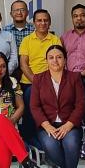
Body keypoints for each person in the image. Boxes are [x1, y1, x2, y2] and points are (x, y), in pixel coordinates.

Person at [29, 45, 85, 168]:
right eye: (51, 57)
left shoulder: (74, 77)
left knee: (71, 144)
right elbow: (34, 106)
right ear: (46, 60)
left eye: (59, 57)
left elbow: (81, 104)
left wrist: (69, 125)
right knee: (50, 145)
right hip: (46, 125)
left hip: (70, 124)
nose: (55, 60)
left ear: (65, 60)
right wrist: (46, 125)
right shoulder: (39, 79)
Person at [18, 9, 63, 141]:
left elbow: (58, 63)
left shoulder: (55, 39)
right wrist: (36, 82)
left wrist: (47, 83)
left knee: (48, 112)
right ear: (34, 23)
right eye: (39, 20)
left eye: (45, 20)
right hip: (29, 83)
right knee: (30, 110)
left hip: (50, 83)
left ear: (49, 23)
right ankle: (28, 141)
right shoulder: (27, 40)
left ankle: (46, 139)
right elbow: (23, 64)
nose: (42, 23)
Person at [61, 4, 85, 137]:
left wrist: (83, 73)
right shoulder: (65, 37)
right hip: (68, 79)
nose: (79, 19)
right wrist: (68, 74)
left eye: (82, 15)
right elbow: (62, 58)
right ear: (72, 19)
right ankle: (73, 142)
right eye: (75, 16)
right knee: (69, 112)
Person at [3, 0, 35, 82]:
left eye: (22, 10)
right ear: (11, 14)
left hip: (30, 67)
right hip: (11, 69)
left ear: (27, 12)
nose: (19, 13)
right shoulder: (4, 31)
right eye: (16, 10)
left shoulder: (35, 30)